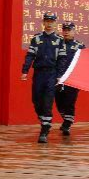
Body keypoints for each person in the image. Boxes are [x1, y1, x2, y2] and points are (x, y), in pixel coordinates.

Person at [21, 12, 63, 143]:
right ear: (43, 22)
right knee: (36, 100)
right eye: (47, 21)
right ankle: (44, 119)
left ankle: (44, 130)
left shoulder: (59, 40)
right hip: (39, 73)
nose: (49, 24)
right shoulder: (36, 38)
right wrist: (25, 70)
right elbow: (30, 55)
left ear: (55, 23)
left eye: (51, 21)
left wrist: (60, 76)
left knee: (47, 101)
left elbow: (62, 59)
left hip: (52, 74)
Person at [54, 22, 86, 136]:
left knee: (69, 102)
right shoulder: (57, 44)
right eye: (65, 30)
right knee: (59, 102)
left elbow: (84, 62)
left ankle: (67, 124)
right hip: (58, 77)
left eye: (69, 30)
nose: (66, 32)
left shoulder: (79, 46)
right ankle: (66, 119)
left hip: (72, 78)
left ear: (74, 31)